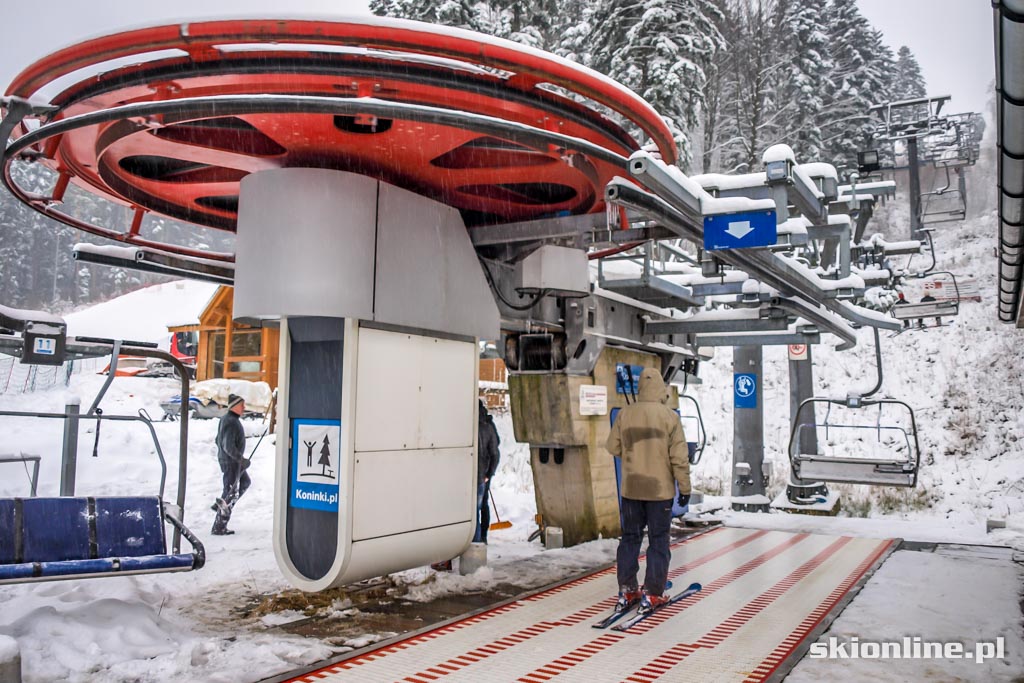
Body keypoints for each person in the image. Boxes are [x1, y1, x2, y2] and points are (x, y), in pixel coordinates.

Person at [606, 367, 690, 614]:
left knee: (630, 539)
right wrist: (684, 488)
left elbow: (612, 447)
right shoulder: (670, 417)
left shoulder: (625, 414)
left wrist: (634, 455)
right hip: (659, 492)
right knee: (658, 541)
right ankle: (653, 593)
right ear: (661, 388)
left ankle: (628, 589)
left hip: (631, 490)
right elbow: (679, 458)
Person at [212, 394, 249, 536]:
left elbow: (218, 440)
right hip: (231, 462)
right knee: (230, 492)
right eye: (242, 405)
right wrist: (241, 459)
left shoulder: (227, 419)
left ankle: (222, 505)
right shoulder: (231, 421)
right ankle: (219, 526)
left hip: (232, 462)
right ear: (234, 406)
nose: (244, 408)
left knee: (245, 482)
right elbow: (227, 446)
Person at [474, 400, 501, 544]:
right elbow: (497, 445)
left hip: (481, 472)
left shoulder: (477, 424)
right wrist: (489, 473)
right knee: (483, 505)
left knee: (476, 508)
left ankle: (478, 538)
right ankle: (482, 536)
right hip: (485, 472)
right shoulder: (489, 424)